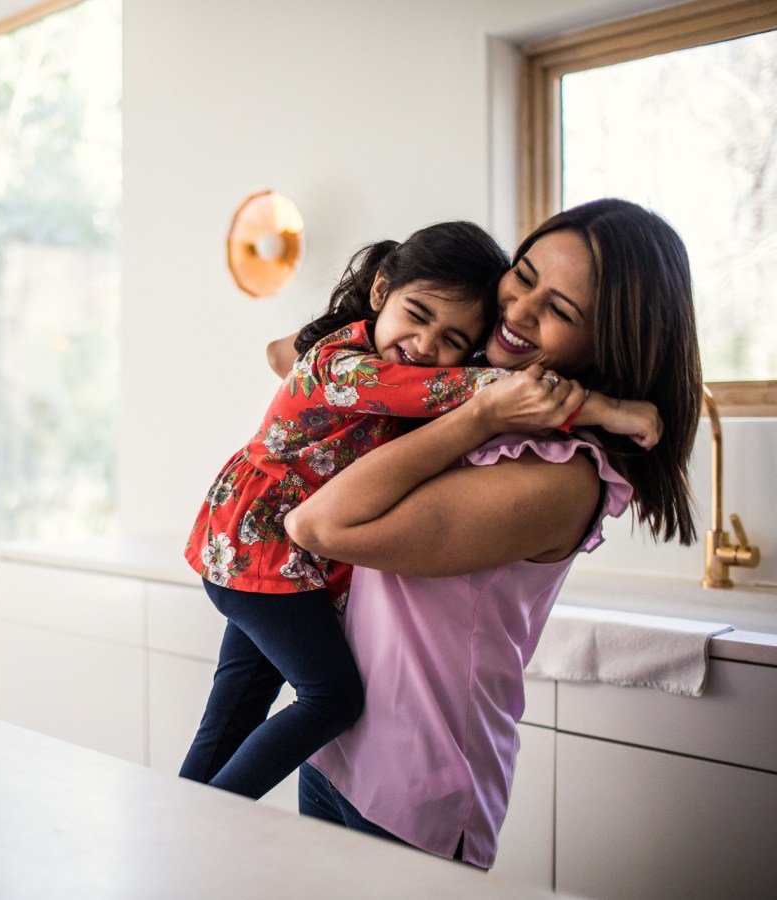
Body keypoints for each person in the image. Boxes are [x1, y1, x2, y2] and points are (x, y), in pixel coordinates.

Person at [281, 198, 701, 869]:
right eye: (524, 274)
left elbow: (319, 524)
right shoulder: (477, 393)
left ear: (610, 343)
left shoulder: (559, 476)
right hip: (336, 749)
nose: (518, 310)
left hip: (414, 788)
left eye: (560, 311)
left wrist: (479, 416)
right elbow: (294, 362)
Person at [180, 219, 655, 802]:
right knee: (330, 698)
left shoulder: (370, 360)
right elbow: (458, 392)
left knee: (235, 707)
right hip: (261, 547)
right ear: (381, 292)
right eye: (419, 314)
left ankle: (190, 810)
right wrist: (603, 408)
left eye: (453, 340)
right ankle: (208, 819)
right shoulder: (351, 367)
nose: (428, 347)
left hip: (269, 557)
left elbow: (304, 357)